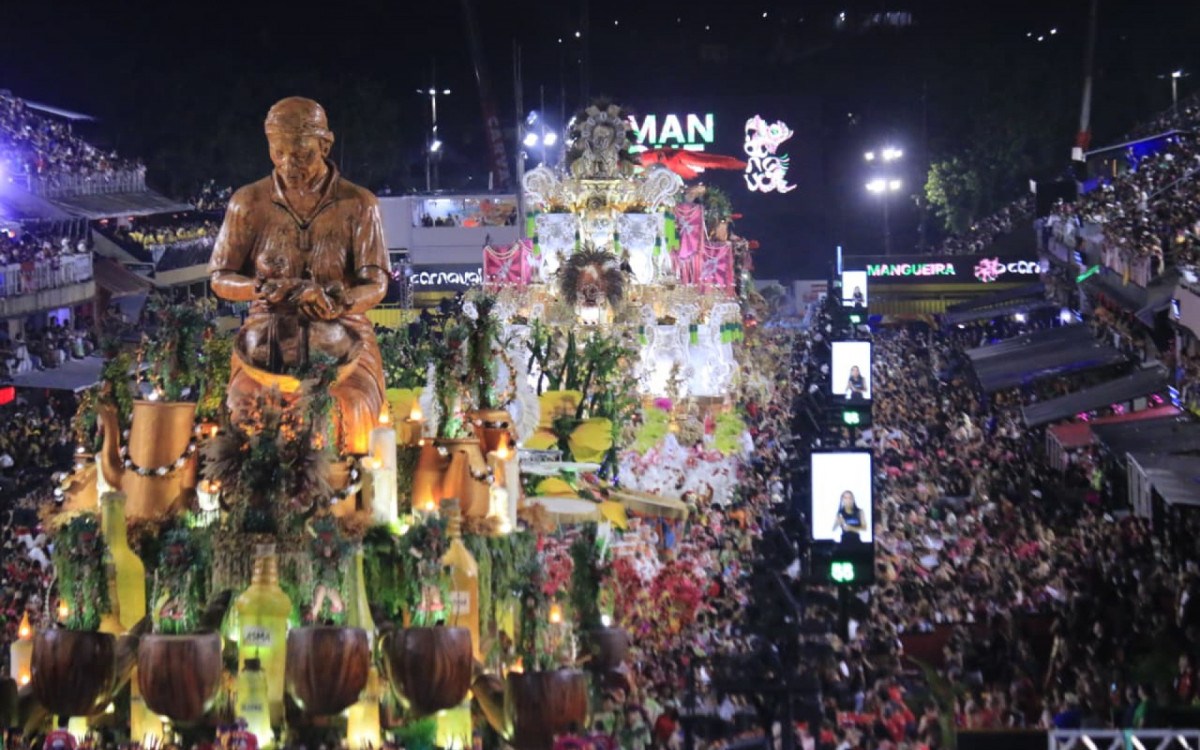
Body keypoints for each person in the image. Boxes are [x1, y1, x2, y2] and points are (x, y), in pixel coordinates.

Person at [208, 96, 390, 455]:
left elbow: (377, 282)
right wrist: (259, 289)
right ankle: (256, 489)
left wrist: (340, 301)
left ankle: (343, 489)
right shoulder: (248, 202)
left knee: (346, 406)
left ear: (325, 144)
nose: (290, 165)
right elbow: (220, 277)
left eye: (303, 155)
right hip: (267, 337)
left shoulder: (359, 204)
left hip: (346, 334)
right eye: (279, 153)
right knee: (245, 404)